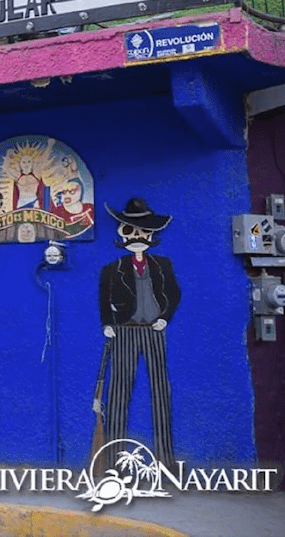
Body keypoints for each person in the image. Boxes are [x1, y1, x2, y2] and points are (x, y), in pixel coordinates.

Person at [96, 197, 180, 468]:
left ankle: (165, 458)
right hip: (125, 331)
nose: (137, 238)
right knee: (119, 392)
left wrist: (165, 319)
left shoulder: (162, 265)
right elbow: (103, 298)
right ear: (122, 234)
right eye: (130, 231)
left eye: (143, 232)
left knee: (160, 390)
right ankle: (113, 459)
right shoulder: (113, 269)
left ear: (151, 235)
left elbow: (174, 294)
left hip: (154, 331)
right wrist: (108, 324)